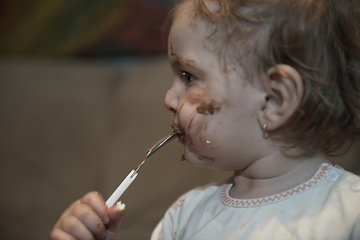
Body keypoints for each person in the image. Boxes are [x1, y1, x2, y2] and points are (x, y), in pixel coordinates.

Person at [51, 0, 360, 239]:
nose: (169, 99)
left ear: (273, 100)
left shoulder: (350, 213)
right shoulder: (185, 217)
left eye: (189, 76)